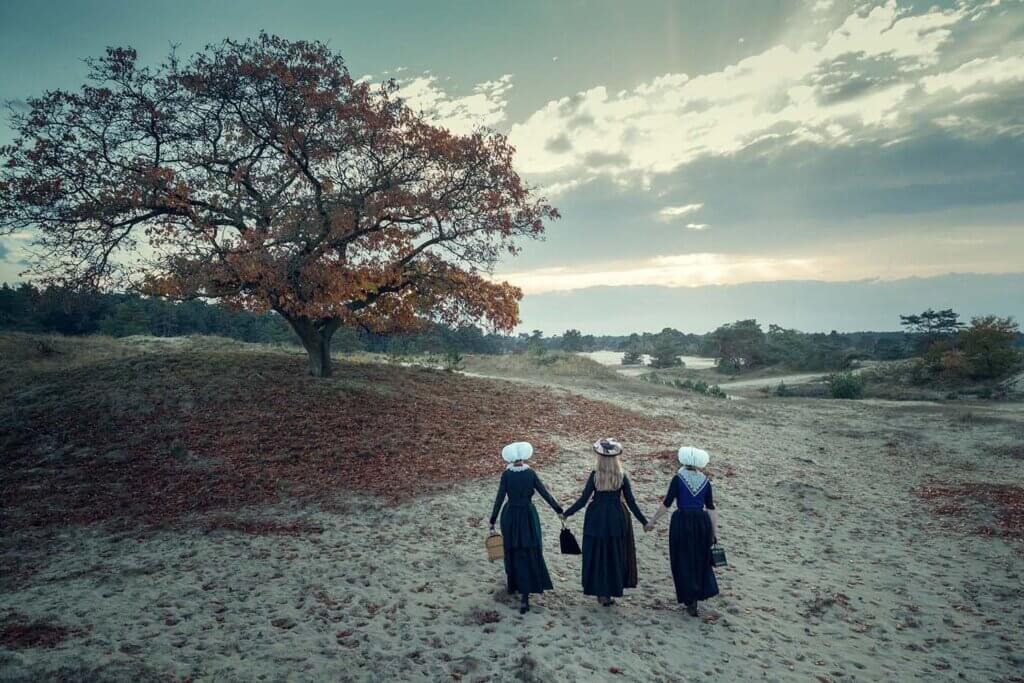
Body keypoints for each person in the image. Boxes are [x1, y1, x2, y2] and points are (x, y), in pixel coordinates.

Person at [562, 438, 648, 606]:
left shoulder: (595, 476)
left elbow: (583, 500)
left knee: (597, 554)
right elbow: (631, 502)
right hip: (616, 517)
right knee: (614, 554)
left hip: (597, 518)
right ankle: (609, 592)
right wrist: (644, 522)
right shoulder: (621, 477)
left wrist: (567, 513)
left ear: (600, 458)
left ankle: (600, 592)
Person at [489, 441, 564, 614]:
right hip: (528, 515)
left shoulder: (506, 475)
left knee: (512, 550)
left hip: (511, 516)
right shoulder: (530, 473)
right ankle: (526, 594)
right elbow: (544, 493)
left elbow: (500, 498)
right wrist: (558, 510)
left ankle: (515, 586)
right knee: (530, 549)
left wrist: (492, 520)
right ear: (524, 457)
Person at [645, 446, 720, 616]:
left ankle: (689, 598)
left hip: (682, 522)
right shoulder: (706, 481)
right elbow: (710, 508)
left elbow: (666, 504)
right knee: (699, 559)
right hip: (701, 523)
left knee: (682, 559)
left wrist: (652, 521)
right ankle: (695, 599)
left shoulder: (678, 479)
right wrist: (714, 533)